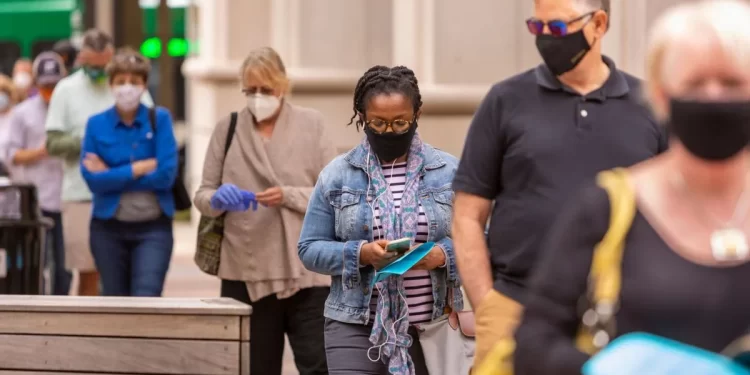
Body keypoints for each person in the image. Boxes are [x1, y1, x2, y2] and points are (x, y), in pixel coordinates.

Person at [513, 0, 750, 373]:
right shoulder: (606, 207)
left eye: (732, 83)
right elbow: (534, 345)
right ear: (661, 95)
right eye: (695, 84)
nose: (714, 97)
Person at [450, 0, 670, 367]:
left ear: (599, 24)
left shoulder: (649, 106)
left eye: (557, 28)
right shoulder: (505, 100)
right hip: (514, 308)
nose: (546, 39)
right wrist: (487, 304)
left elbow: (676, 207)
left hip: (624, 316)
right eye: (538, 28)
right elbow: (468, 215)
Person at [298, 65, 463, 375]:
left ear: (417, 114)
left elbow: (482, 240)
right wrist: (361, 253)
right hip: (355, 325)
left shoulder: (448, 171)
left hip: (432, 325)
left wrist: (439, 256)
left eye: (401, 122)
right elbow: (309, 248)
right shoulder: (337, 175)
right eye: (379, 122)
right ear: (361, 117)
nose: (390, 131)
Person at [193, 47, 335, 375]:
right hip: (246, 269)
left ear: (282, 86)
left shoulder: (312, 124)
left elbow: (335, 193)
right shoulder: (227, 128)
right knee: (255, 368)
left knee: (319, 366)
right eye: (250, 90)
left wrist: (288, 195)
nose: (258, 97)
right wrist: (217, 200)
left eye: (265, 90)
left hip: (306, 270)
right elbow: (202, 193)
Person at [45, 29, 153, 296]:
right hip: (81, 194)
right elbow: (52, 143)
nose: (98, 70)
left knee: (122, 272)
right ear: (81, 58)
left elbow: (150, 132)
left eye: (103, 65)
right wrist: (88, 142)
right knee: (88, 271)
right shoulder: (66, 90)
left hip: (126, 193)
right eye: (92, 65)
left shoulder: (125, 87)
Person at [80, 48, 177, 296]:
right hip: (107, 229)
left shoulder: (160, 119)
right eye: (120, 81)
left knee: (147, 296)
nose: (127, 87)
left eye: (134, 81)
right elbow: (93, 181)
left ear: (144, 85)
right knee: (114, 301)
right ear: (111, 85)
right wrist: (137, 168)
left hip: (154, 228)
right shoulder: (95, 124)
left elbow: (166, 175)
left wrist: (112, 173)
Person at [0, 52, 70, 295]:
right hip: (36, 199)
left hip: (67, 197)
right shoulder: (23, 113)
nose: (50, 89)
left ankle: (62, 309)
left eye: (54, 84)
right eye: (45, 84)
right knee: (35, 262)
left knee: (64, 265)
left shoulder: (70, 110)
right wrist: (41, 152)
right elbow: (11, 155)